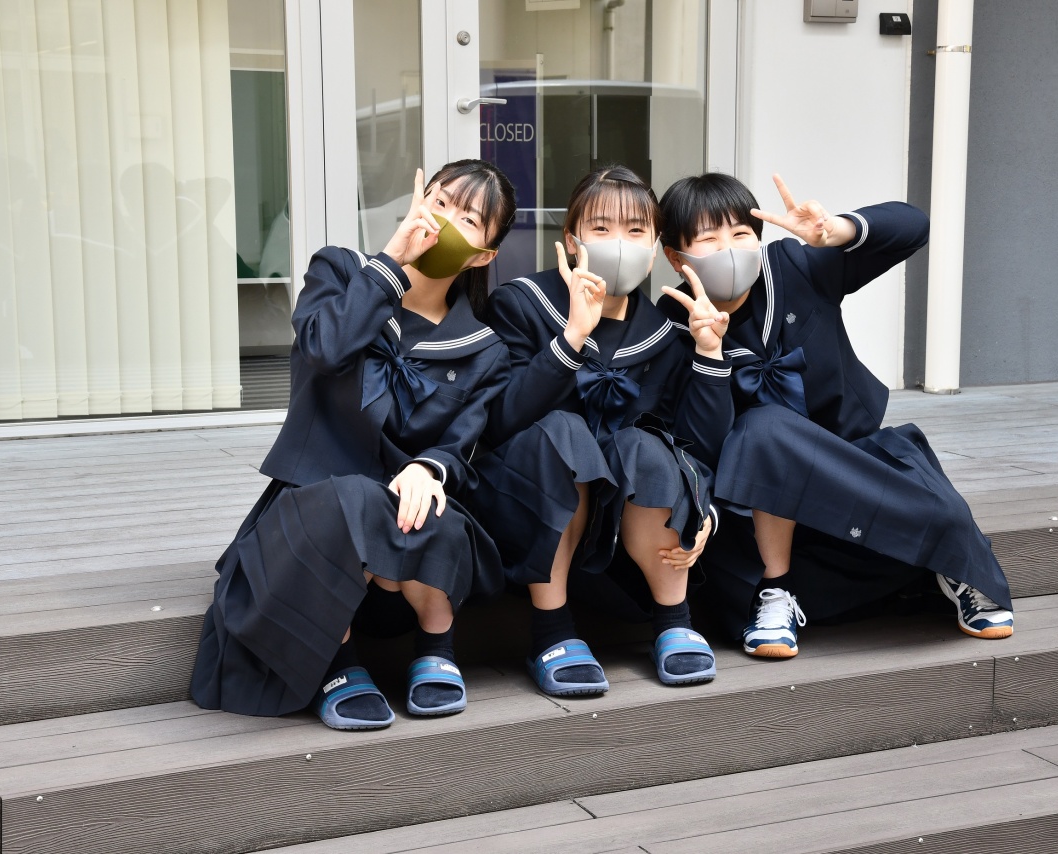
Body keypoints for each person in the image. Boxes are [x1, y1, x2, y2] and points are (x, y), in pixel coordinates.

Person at [190, 160, 516, 728]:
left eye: (468, 220)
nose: (444, 221)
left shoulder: (484, 349)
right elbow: (323, 348)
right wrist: (391, 263)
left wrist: (427, 469)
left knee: (428, 508)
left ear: (482, 256)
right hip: (311, 512)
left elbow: (461, 442)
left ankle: (435, 648)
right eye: (439, 202)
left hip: (403, 539)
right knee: (351, 500)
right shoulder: (342, 272)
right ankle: (338, 664)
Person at [656, 171, 1014, 658]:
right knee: (763, 426)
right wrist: (708, 355)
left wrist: (837, 230)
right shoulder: (671, 324)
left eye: (740, 234)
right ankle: (776, 592)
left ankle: (954, 566)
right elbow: (702, 443)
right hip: (761, 506)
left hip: (853, 464)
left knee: (929, 497)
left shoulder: (794, 267)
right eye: (709, 240)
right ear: (677, 257)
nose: (729, 250)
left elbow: (913, 226)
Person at [472, 165, 733, 696]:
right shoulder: (521, 304)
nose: (619, 243)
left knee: (646, 445)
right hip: (527, 504)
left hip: (621, 523)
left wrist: (709, 353)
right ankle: (552, 631)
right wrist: (570, 339)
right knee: (564, 432)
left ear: (655, 249)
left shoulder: (667, 332)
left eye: (636, 231)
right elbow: (499, 422)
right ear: (572, 241)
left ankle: (674, 618)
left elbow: (696, 445)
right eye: (601, 228)